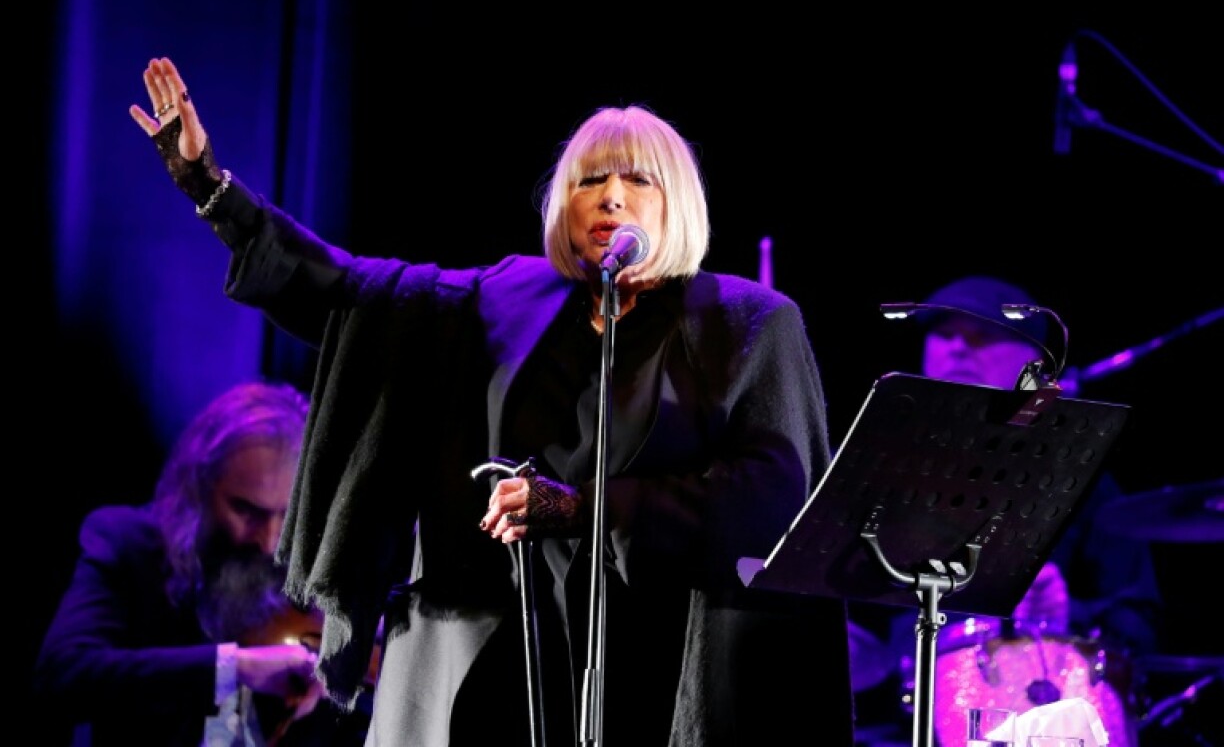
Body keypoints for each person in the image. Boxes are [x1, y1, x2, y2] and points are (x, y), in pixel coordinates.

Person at [122, 56, 855, 746]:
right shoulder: (503, 299)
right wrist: (209, 187)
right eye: (588, 180)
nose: (609, 196)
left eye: (637, 179)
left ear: (681, 205)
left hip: (661, 667)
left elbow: (772, 498)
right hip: (492, 660)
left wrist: (581, 508)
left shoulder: (749, 322)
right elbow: (348, 294)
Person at [849, 275, 1163, 747]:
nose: (956, 348)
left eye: (980, 334)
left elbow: (1141, 620)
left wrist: (1068, 612)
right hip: (899, 721)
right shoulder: (874, 477)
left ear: (1034, 362)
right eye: (943, 333)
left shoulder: (1085, 481)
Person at [32, 380, 374, 747]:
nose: (269, 542)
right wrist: (233, 668)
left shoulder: (315, 574)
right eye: (246, 510)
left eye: (287, 517)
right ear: (197, 486)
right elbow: (62, 676)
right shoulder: (128, 546)